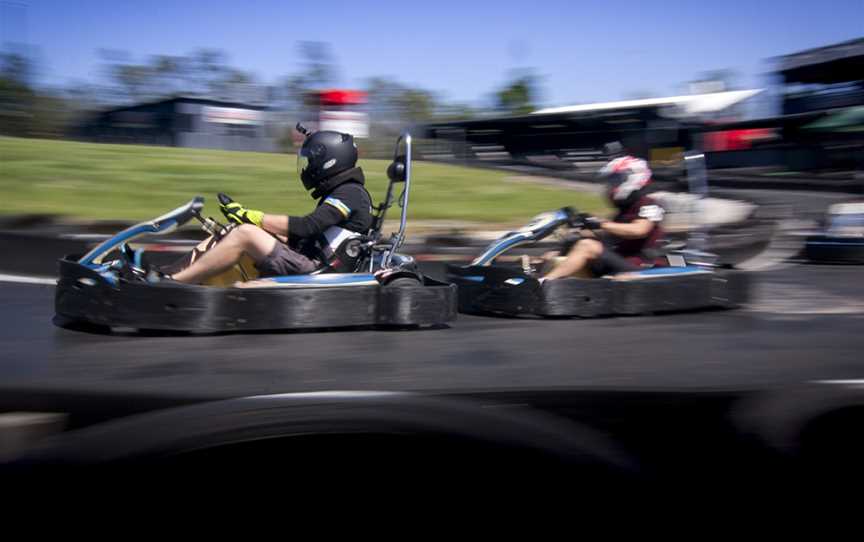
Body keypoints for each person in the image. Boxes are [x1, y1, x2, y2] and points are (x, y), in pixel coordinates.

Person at [162, 127, 372, 284]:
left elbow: (309, 226)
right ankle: (167, 274)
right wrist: (253, 222)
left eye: (311, 162)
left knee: (245, 233)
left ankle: (177, 283)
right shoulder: (342, 192)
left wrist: (252, 217)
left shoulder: (351, 193)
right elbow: (309, 236)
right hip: (309, 259)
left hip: (318, 271)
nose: (308, 168)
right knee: (231, 230)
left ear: (330, 161)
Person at [542, 142, 665, 280]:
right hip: (618, 261)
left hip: (640, 267)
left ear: (633, 177)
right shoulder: (624, 209)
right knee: (570, 243)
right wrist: (584, 226)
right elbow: (611, 238)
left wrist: (600, 224)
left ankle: (545, 283)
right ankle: (535, 276)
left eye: (615, 180)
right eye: (611, 181)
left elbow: (639, 230)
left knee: (587, 246)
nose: (611, 185)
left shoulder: (649, 203)